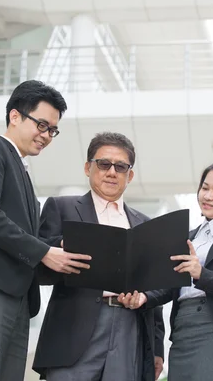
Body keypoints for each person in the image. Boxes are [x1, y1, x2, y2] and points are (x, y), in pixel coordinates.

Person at [0, 80, 92, 381]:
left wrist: (56, 246)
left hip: (17, 300)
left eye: (53, 130)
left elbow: (25, 236)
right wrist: (44, 251)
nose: (47, 135)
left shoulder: (23, 171)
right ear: (14, 116)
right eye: (42, 124)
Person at [33, 132, 165, 381]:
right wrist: (63, 248)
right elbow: (39, 271)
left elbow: (154, 284)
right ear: (88, 167)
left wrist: (157, 347)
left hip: (130, 328)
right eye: (103, 164)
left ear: (130, 175)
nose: (112, 172)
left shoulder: (145, 225)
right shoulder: (62, 208)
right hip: (75, 330)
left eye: (121, 166)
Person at [119, 159, 213, 381]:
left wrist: (202, 274)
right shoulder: (188, 236)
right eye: (205, 188)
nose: (207, 196)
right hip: (182, 330)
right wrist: (145, 298)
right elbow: (171, 285)